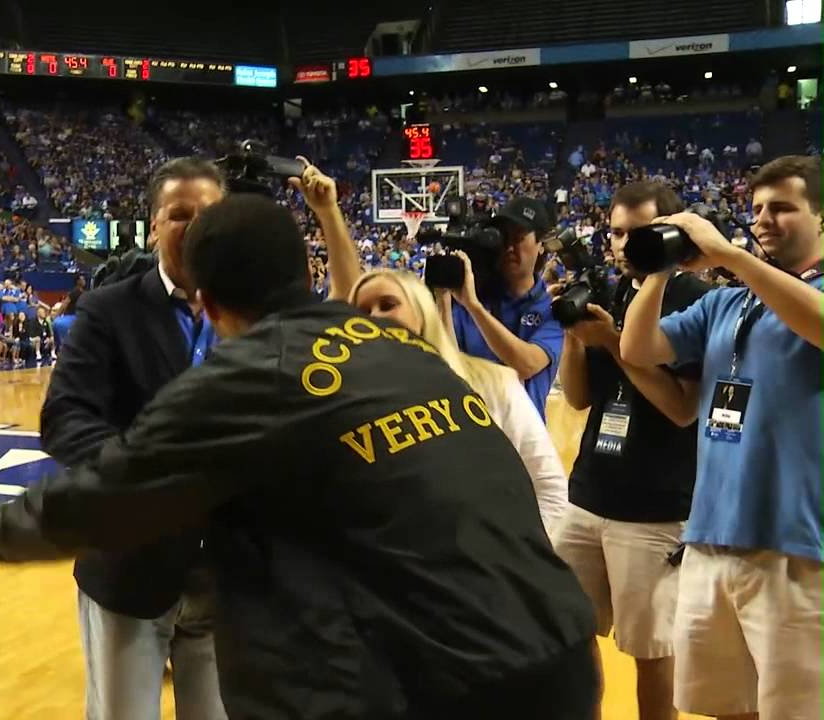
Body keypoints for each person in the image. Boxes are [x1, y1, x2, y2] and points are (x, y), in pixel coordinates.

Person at [0, 193, 598, 719]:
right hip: (558, 651)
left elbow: (111, 495)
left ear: (207, 303)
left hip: (440, 684)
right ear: (308, 275)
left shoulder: (249, 376)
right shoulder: (404, 353)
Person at [36, 155, 369, 720]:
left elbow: (346, 304)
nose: (193, 226)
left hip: (231, 574)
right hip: (129, 567)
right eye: (178, 214)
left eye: (207, 213)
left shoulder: (263, 309)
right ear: (153, 225)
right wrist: (142, 474)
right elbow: (65, 416)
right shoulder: (107, 310)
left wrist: (329, 214)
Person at [621, 155, 823, 720]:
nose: (764, 219)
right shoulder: (725, 303)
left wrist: (730, 255)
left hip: (796, 548)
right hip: (710, 538)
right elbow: (638, 351)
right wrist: (661, 268)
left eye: (783, 207)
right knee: (726, 707)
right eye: (757, 208)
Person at [553, 182, 710, 720]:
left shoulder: (694, 299)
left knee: (650, 652)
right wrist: (576, 336)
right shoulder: (613, 289)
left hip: (655, 506)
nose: (622, 244)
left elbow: (681, 408)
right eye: (617, 232)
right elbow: (576, 398)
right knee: (568, 637)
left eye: (637, 232)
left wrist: (614, 345)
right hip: (589, 492)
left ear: (670, 231)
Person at [349, 269, 568, 537]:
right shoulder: (352, 403)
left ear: (421, 313)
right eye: (361, 311)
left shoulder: (494, 383)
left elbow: (550, 489)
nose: (374, 317)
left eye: (388, 305)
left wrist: (519, 557)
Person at [449, 197, 564, 418]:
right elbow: (447, 366)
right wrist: (444, 301)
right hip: (471, 434)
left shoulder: (553, 308)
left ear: (541, 245)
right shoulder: (468, 298)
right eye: (504, 237)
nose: (510, 247)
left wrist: (474, 307)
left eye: (519, 237)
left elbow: (526, 364)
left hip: (522, 443)